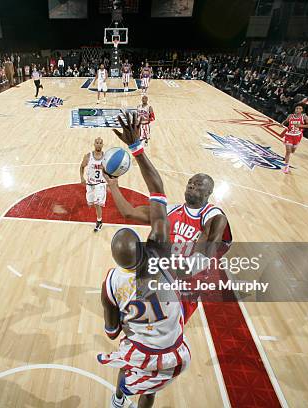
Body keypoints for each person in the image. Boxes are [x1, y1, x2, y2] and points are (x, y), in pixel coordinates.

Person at [99, 112, 189, 408]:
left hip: (142, 347)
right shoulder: (161, 243)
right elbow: (156, 189)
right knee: (150, 388)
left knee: (132, 366)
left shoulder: (112, 283)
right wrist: (137, 146)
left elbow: (112, 332)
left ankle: (119, 398)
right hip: (174, 346)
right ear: (142, 245)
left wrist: (111, 183)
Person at [80, 137, 106, 232]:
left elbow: (111, 170)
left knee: (97, 203)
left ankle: (99, 221)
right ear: (94, 144)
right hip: (90, 183)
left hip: (100, 184)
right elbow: (82, 166)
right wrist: (82, 177)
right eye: (97, 142)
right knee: (91, 202)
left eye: (100, 143)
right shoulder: (88, 156)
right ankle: (99, 219)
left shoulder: (106, 157)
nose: (98, 144)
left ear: (102, 145)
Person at [280, 103, 308, 174]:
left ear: (302, 110)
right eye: (296, 108)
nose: (298, 110)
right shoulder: (290, 116)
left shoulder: (304, 117)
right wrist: (282, 123)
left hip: (297, 136)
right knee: (288, 151)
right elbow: (286, 121)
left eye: (299, 109)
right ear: (295, 109)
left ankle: (291, 153)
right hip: (289, 135)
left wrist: (300, 125)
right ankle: (286, 167)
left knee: (292, 151)